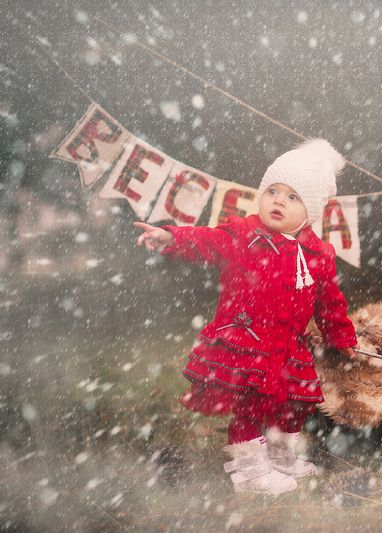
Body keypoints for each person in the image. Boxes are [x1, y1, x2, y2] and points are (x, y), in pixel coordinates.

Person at [134, 139, 357, 494]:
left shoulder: (319, 253)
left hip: (288, 346)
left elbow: (329, 301)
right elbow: (206, 239)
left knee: (294, 403)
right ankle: (250, 471)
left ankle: (283, 458)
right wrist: (170, 237)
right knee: (250, 407)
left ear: (312, 210)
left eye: (292, 197)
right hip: (247, 341)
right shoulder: (244, 235)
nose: (278, 201)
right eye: (273, 191)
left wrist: (341, 337)